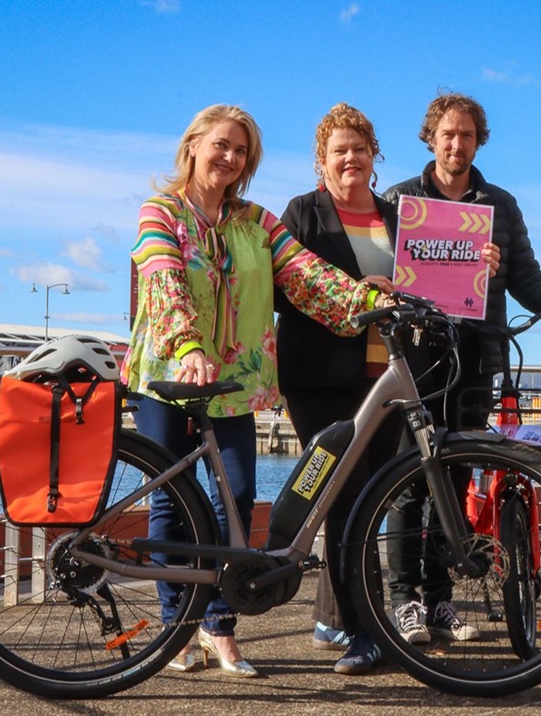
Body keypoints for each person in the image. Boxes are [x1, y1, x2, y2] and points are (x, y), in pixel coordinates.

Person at [121, 104, 388, 677]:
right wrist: (188, 346)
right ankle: (177, 630)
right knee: (170, 501)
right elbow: (163, 278)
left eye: (241, 151)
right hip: (170, 374)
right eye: (221, 145)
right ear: (193, 145)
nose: (230, 157)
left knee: (237, 498)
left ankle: (219, 626)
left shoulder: (258, 222)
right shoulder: (160, 211)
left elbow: (306, 274)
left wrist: (368, 301)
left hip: (235, 383)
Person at [276, 102, 499, 674]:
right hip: (320, 380)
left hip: (390, 377)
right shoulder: (303, 214)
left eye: (360, 148)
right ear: (322, 161)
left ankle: (356, 622)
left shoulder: (399, 213)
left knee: (372, 502)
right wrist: (360, 289)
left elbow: (438, 278)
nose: (351, 158)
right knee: (341, 501)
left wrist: (481, 261)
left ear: (376, 156)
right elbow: (285, 290)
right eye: (339, 150)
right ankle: (363, 630)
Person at [380, 91, 541, 643]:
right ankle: (403, 599)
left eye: (468, 135)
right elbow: (380, 274)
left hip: (477, 356)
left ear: (479, 141)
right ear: (431, 137)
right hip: (416, 356)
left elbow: (529, 281)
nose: (457, 144)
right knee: (410, 483)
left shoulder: (499, 205)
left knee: (454, 479)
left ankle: (439, 601)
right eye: (448, 134)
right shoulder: (398, 200)